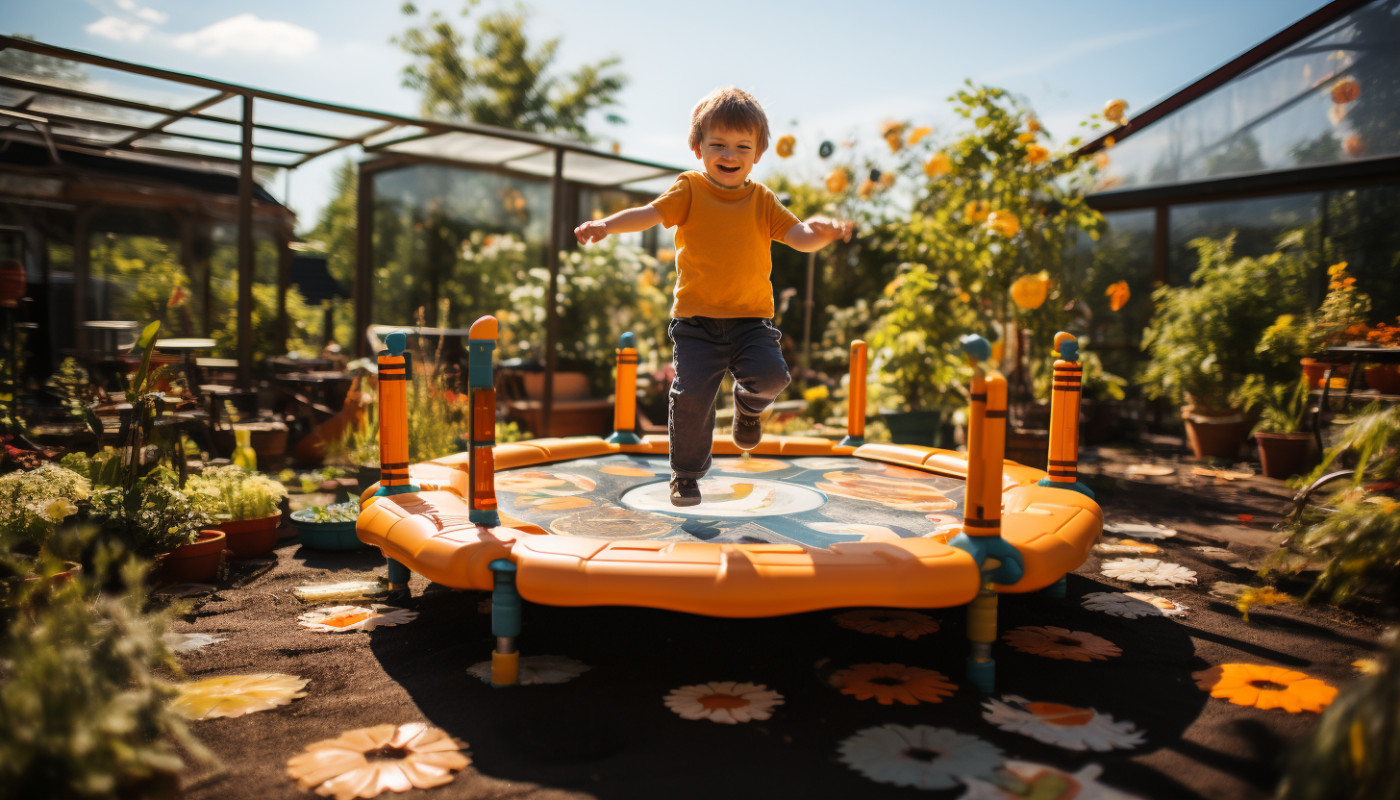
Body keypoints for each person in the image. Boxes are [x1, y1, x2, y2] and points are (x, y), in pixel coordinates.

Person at [574, 86, 852, 507]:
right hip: (697, 325)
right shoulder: (689, 190)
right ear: (697, 147)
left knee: (774, 377)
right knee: (690, 398)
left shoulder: (762, 201)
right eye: (718, 144)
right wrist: (606, 225)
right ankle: (685, 476)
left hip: (750, 322)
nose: (730, 154)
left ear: (757, 154)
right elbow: (649, 213)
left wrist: (823, 232)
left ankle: (748, 406)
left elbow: (800, 236)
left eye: (743, 146)